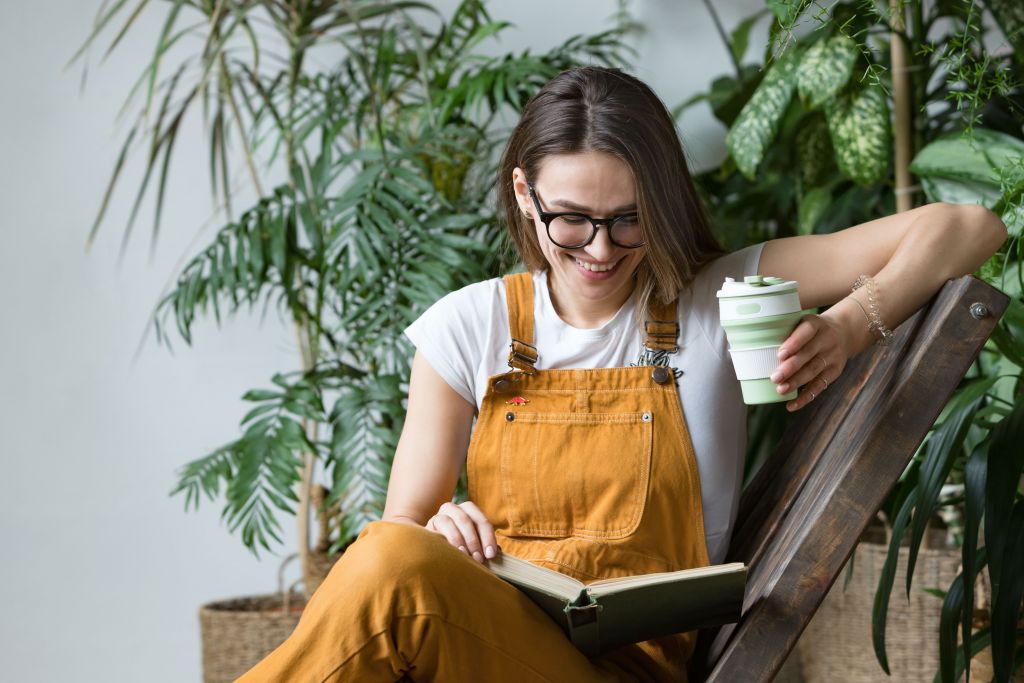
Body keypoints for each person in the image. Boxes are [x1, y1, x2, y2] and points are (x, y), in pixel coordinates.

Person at [238, 66, 1006, 682]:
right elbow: (402, 531)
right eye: (571, 219)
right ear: (523, 195)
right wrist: (442, 525)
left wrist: (847, 323)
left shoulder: (712, 299)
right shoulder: (468, 325)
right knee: (391, 556)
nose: (601, 250)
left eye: (629, 218)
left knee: (390, 565)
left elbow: (970, 226)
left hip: (631, 669)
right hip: (481, 649)